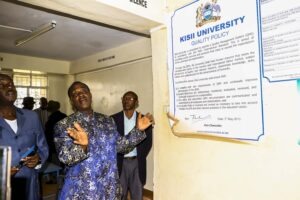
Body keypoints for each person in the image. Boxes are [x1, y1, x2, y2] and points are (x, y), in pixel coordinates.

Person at [53, 81, 154, 200]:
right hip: (82, 191)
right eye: (75, 94)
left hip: (109, 189)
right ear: (71, 100)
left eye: (84, 91)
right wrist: (82, 147)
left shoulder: (107, 120)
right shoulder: (64, 125)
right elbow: (66, 158)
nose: (81, 95)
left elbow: (120, 146)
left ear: (90, 95)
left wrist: (138, 130)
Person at [0, 73, 49, 200]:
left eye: (11, 84)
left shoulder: (31, 116)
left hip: (30, 185)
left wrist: (38, 160)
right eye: (2, 85)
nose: (9, 87)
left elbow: (43, 147)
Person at [111, 91, 153, 200]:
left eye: (130, 99)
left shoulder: (144, 120)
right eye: (125, 98)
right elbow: (111, 142)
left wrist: (140, 156)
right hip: (120, 162)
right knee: (120, 194)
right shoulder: (113, 119)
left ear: (136, 102)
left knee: (137, 193)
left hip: (137, 163)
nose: (127, 100)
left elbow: (148, 143)